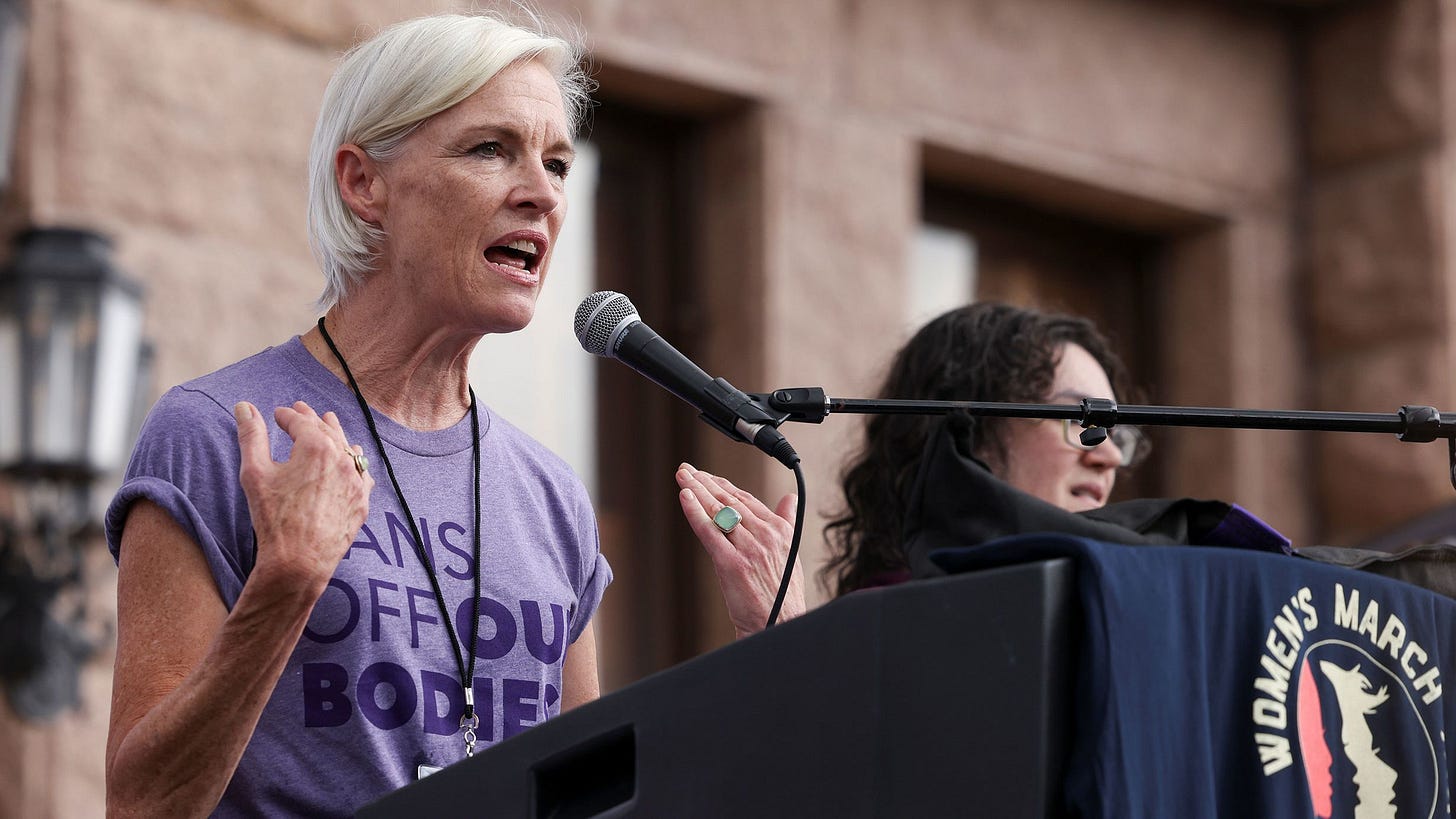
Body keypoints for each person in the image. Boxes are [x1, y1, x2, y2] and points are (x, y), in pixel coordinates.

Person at [101, 11, 793, 816]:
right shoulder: (220, 432)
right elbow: (142, 804)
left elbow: (594, 799)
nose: (541, 192)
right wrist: (285, 583)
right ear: (364, 183)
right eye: (490, 149)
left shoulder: (550, 496)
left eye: (560, 163)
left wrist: (774, 659)